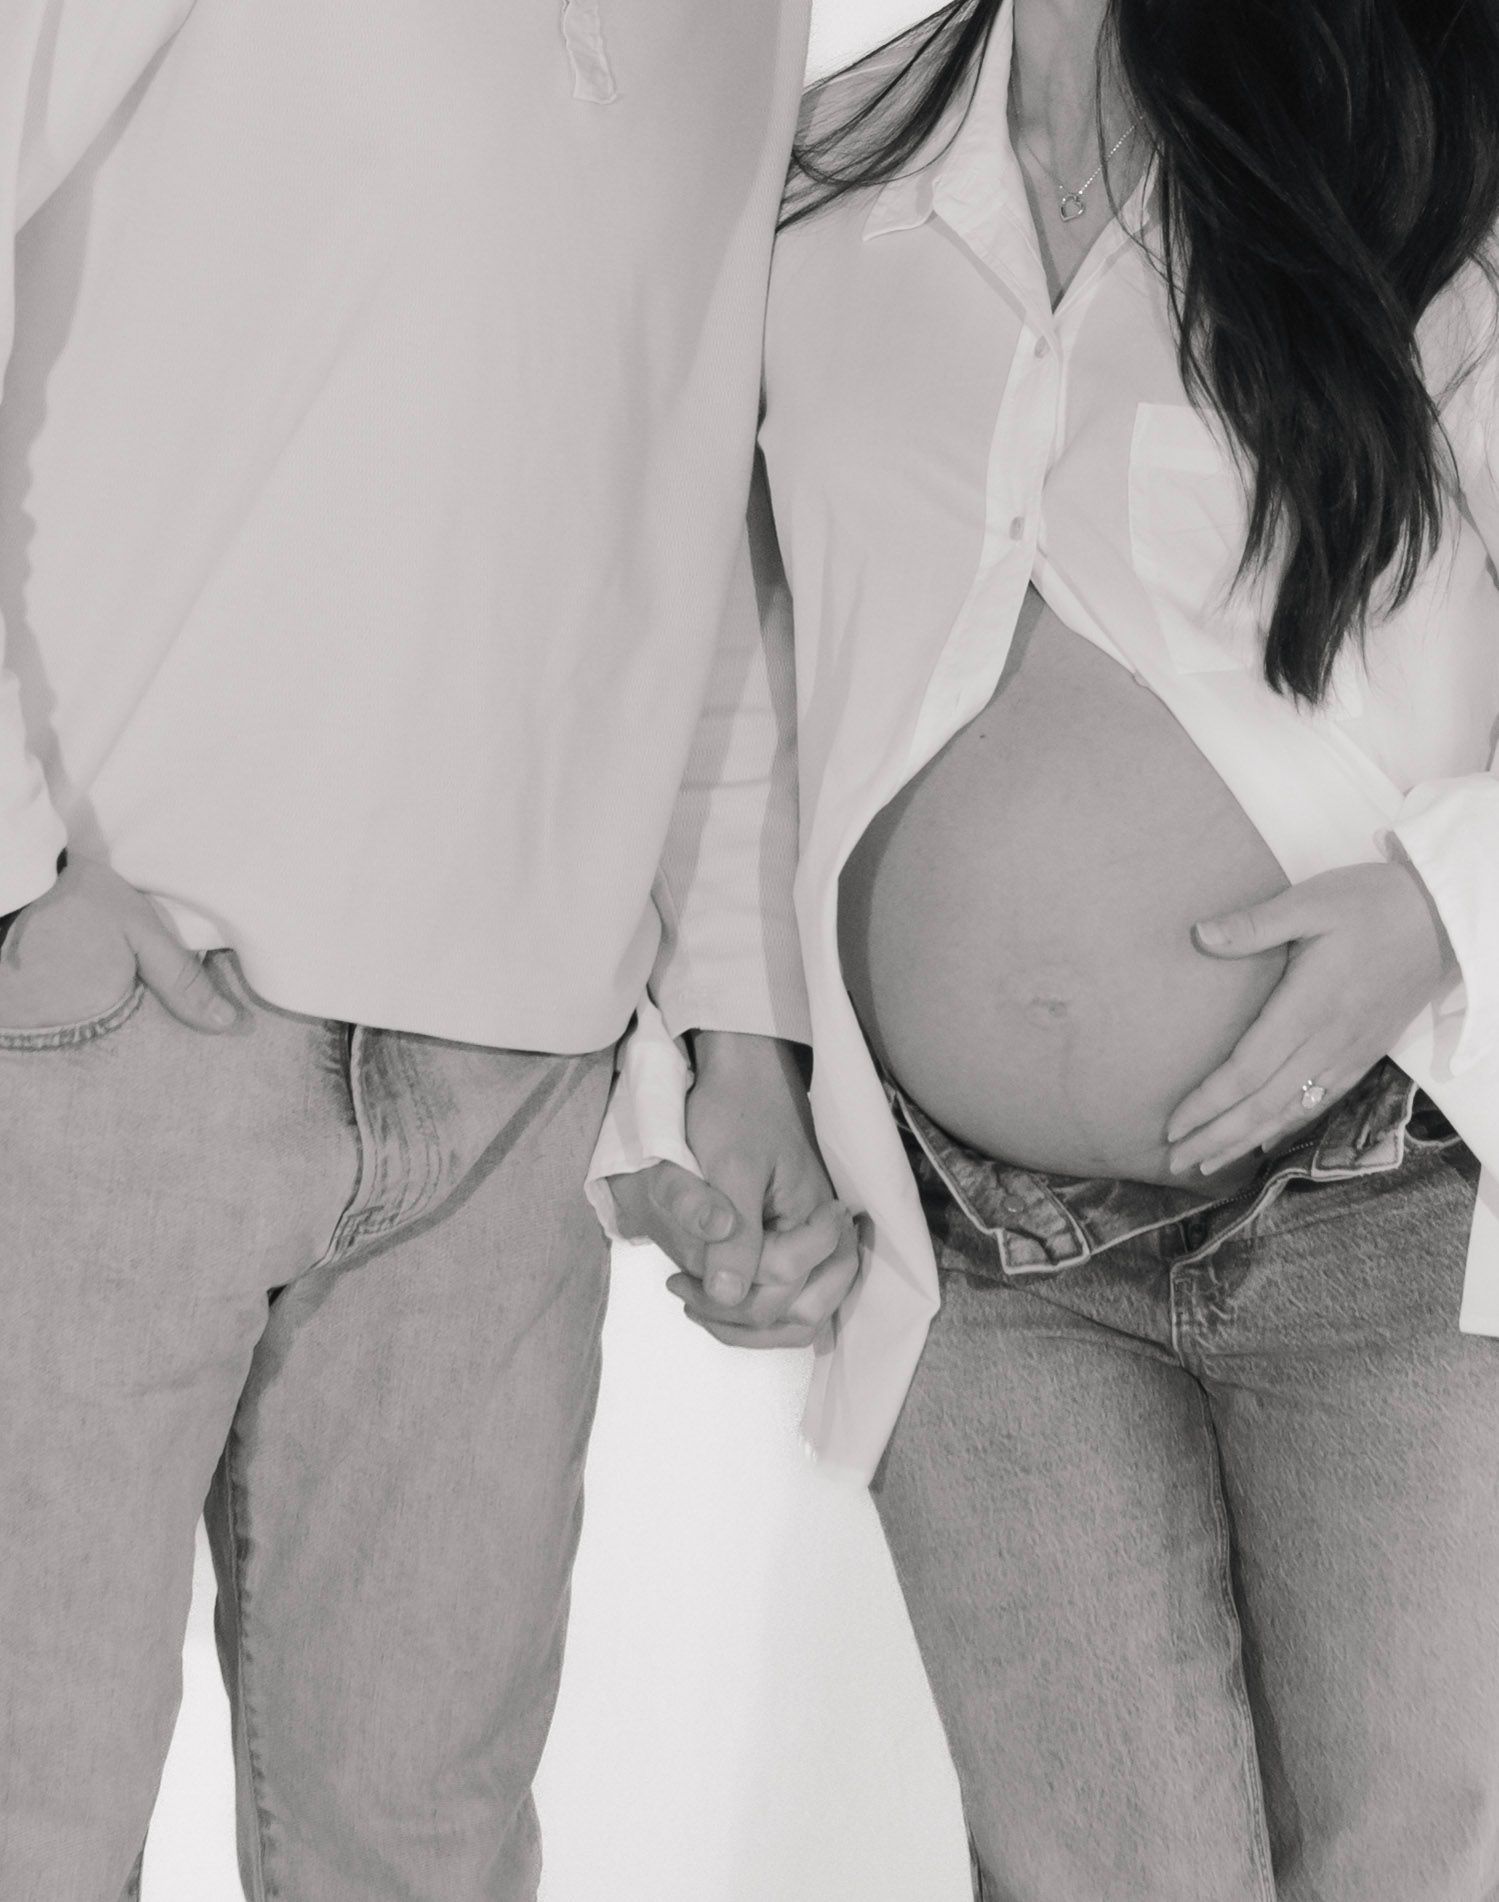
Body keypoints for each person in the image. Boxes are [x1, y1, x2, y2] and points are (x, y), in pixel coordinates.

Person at [612, 0, 1499, 1895]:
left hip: (1389, 1217)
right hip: (972, 1255)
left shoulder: (1426, 130)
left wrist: (1442, 895)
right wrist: (741, 1051)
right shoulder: (830, 160)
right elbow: (737, 636)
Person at [0, 3, 859, 1897]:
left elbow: (701, 496)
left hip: (503, 1103)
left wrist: (732, 1031)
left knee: (421, 1857)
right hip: (105, 1039)